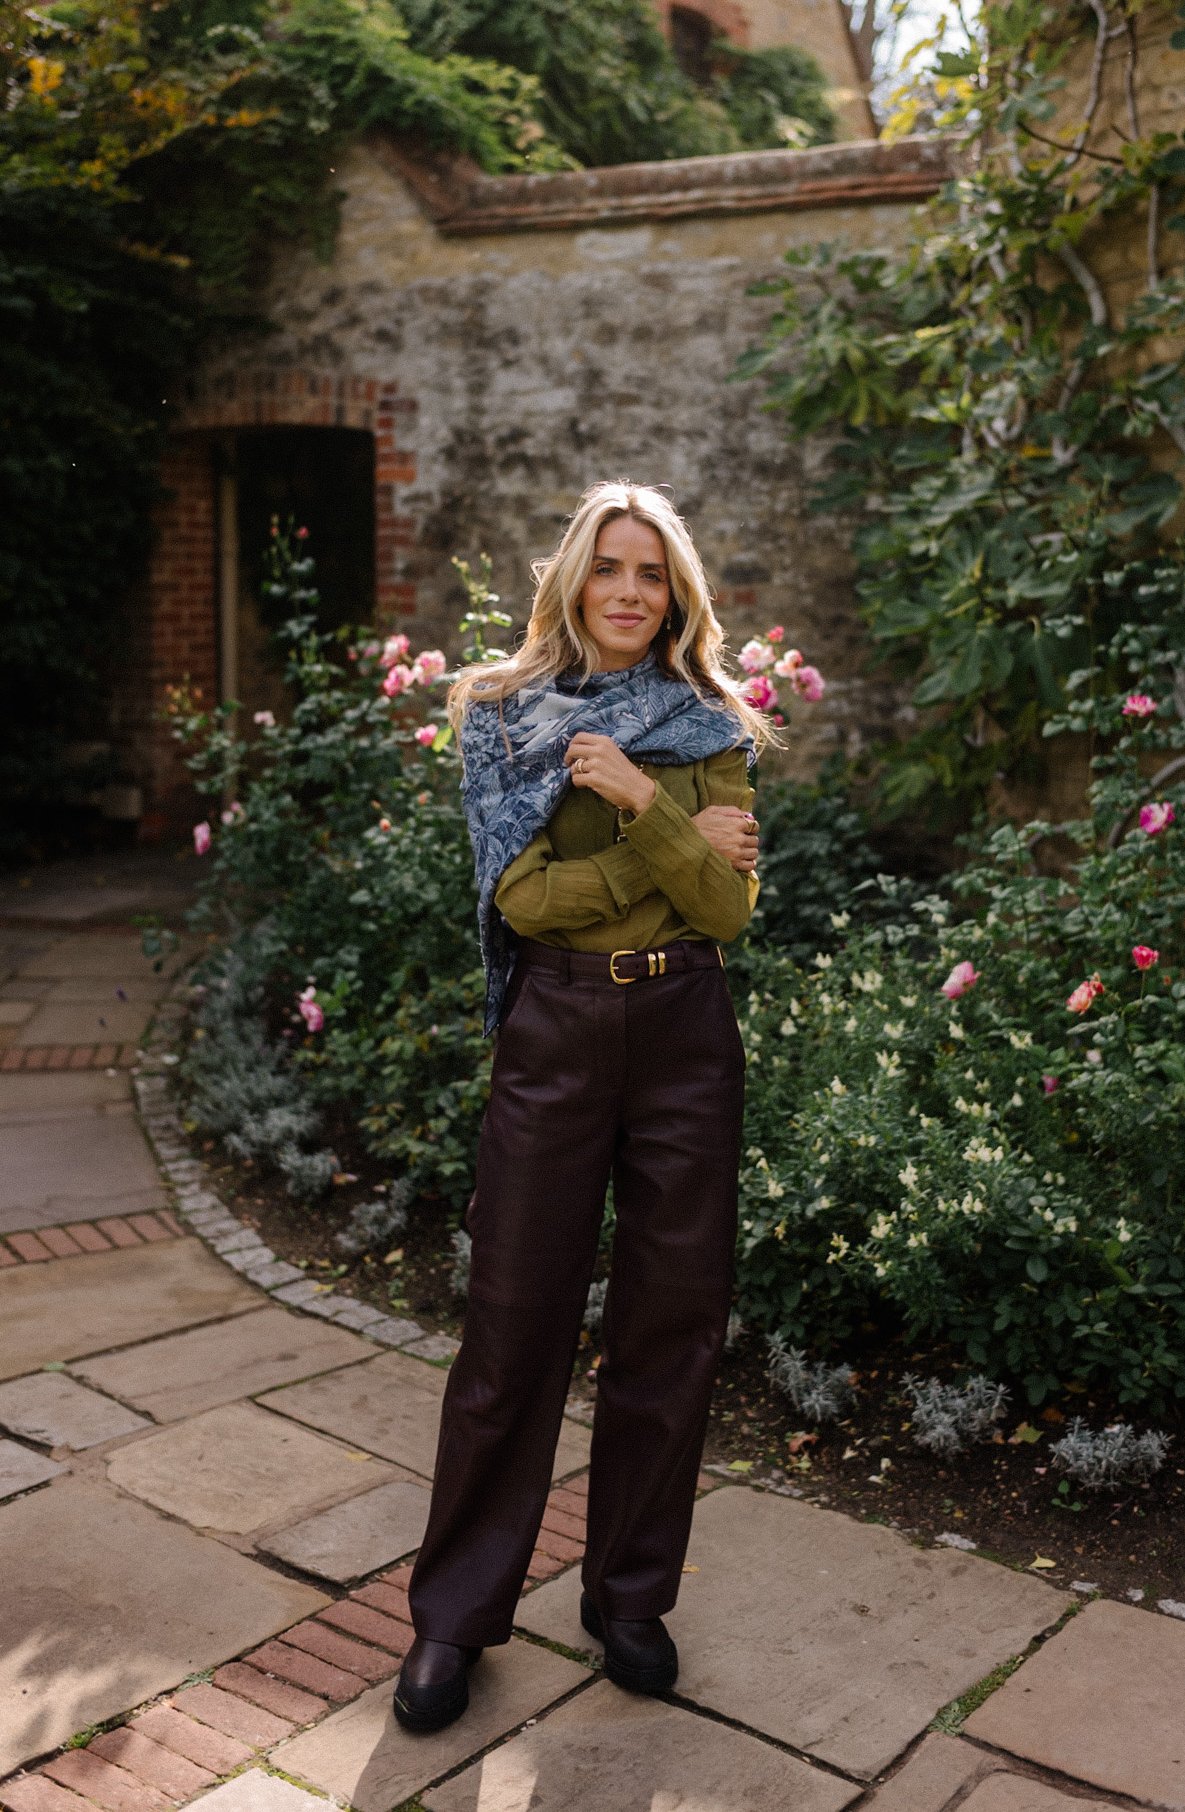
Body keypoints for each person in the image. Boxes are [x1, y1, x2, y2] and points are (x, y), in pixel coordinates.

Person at [394, 480, 772, 1732]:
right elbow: (523, 906)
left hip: (684, 1034)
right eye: (608, 566)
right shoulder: (503, 718)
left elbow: (726, 914)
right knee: (513, 1324)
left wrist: (627, 794)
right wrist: (665, 842)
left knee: (675, 1322)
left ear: (676, 596)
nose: (627, 590)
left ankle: (628, 1599)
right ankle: (453, 1618)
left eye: (650, 573)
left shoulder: (709, 720)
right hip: (555, 1029)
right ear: (572, 578)